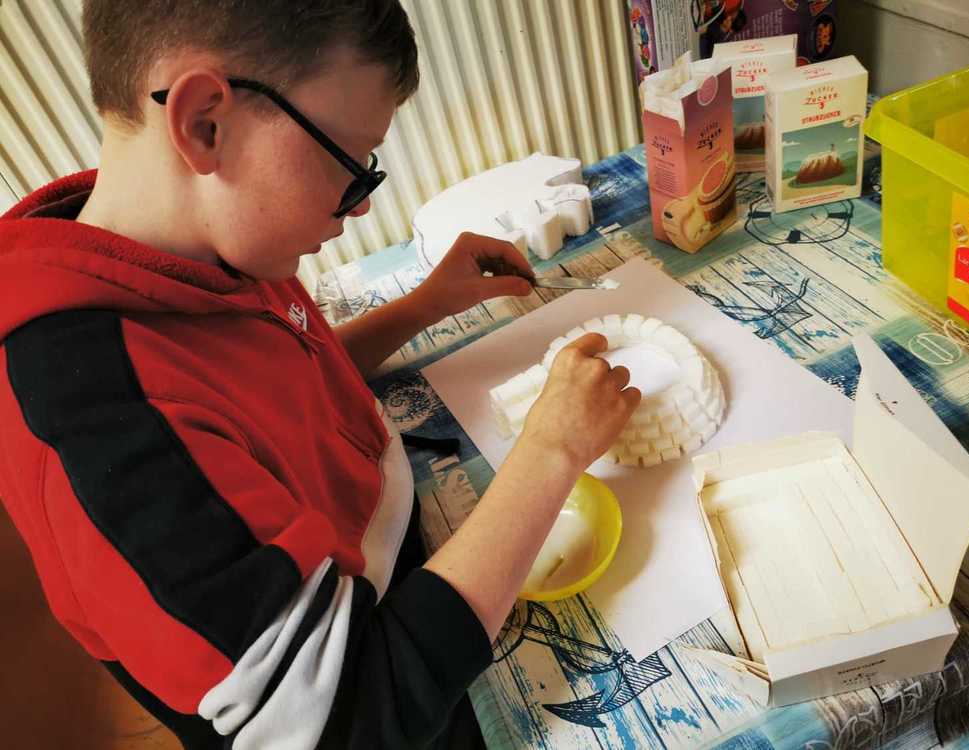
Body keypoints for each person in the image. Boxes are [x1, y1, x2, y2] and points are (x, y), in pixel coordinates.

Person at [0, 2, 640, 749]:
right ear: (205, 124)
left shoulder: (192, 246)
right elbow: (355, 717)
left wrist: (425, 304)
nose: (358, 209)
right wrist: (552, 452)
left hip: (392, 541)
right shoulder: (100, 426)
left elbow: (278, 385)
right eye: (348, 166)